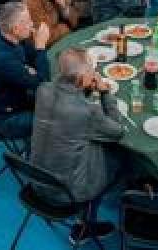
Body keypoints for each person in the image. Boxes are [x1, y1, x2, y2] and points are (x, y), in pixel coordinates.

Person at [30, 47, 125, 244]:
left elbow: (66, 100)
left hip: (36, 181)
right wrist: (105, 92)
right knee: (120, 158)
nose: (95, 73)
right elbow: (118, 131)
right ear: (82, 78)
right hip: (67, 193)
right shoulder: (87, 112)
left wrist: (86, 87)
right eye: (92, 70)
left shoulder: (42, 90)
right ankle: (85, 225)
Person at [0, 1, 50, 141]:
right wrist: (41, 47)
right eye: (28, 22)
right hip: (4, 118)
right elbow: (43, 83)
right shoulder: (2, 59)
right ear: (15, 29)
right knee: (55, 120)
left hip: (6, 95)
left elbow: (29, 55)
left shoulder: (3, 32)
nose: (32, 24)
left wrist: (27, 67)